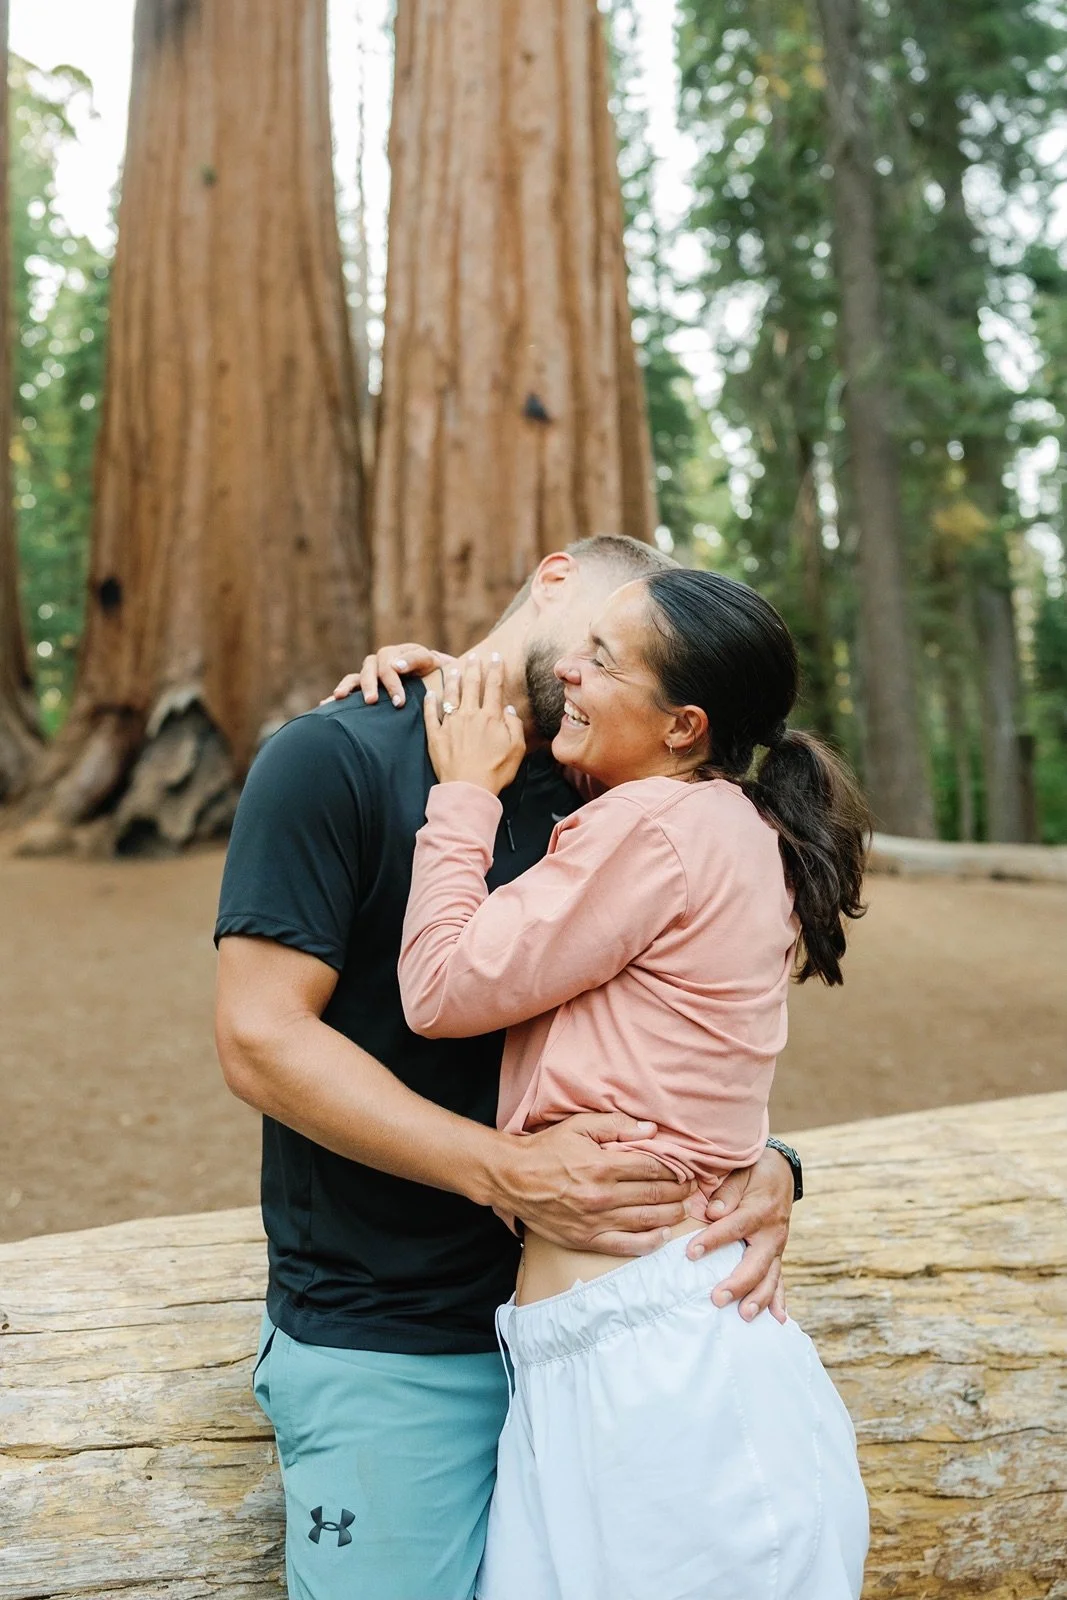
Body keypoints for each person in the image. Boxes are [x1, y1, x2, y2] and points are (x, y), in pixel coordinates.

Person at [214, 536, 800, 1600]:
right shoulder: (335, 755)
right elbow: (260, 1041)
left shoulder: (622, 784)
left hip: (598, 1323)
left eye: (612, 658)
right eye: (593, 639)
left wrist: (765, 1160)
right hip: (394, 1342)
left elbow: (683, 1013)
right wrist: (505, 1171)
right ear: (553, 575)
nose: (580, 670)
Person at [393, 568, 870, 1600]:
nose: (567, 667)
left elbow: (438, 986)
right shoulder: (715, 820)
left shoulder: (653, 827)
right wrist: (462, 674)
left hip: (661, 1373)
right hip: (619, 1345)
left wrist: (463, 793)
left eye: (601, 660)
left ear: (682, 726)